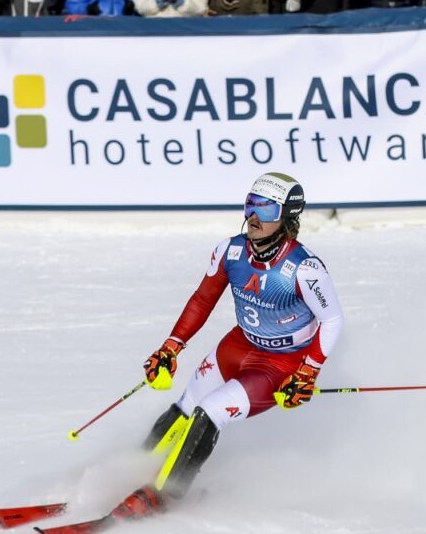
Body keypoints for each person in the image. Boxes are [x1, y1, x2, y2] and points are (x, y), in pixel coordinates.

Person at [138, 174, 344, 500]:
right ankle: (132, 474)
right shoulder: (230, 251)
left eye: (266, 208)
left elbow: (332, 319)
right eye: (250, 205)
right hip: (237, 346)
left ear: (287, 217)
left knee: (211, 411)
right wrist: (171, 346)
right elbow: (203, 299)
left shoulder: (305, 269)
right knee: (185, 406)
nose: (254, 216)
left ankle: (166, 495)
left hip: (279, 365)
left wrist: (309, 370)